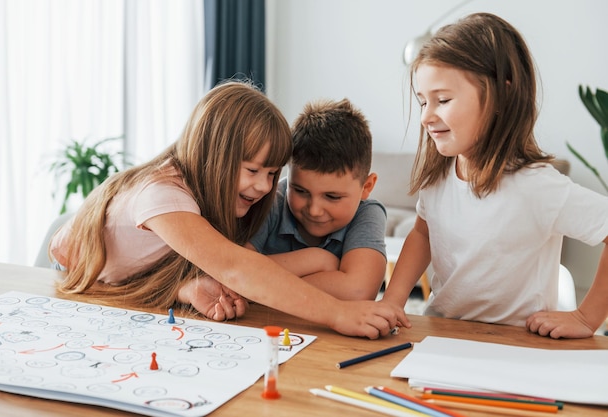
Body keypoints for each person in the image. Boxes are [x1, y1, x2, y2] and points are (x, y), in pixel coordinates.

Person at [50, 80, 408, 339]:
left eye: (272, 174)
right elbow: (236, 268)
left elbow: (167, 268)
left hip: (127, 281)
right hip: (79, 270)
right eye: (253, 171)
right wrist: (336, 312)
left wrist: (185, 289)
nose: (266, 187)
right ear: (213, 154)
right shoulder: (161, 193)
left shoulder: (212, 193)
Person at [380, 12, 608, 339]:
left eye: (442, 100)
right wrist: (393, 300)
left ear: (500, 95)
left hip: (516, 344)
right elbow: (423, 234)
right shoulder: (438, 175)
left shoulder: (537, 186)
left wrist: (587, 318)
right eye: (422, 102)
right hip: (442, 333)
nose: (426, 117)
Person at [247, 98, 387, 301]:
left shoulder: (367, 213)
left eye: (332, 197)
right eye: (300, 191)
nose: (314, 210)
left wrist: (262, 287)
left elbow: (358, 291)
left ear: (366, 187)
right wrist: (315, 260)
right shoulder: (271, 200)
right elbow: (234, 274)